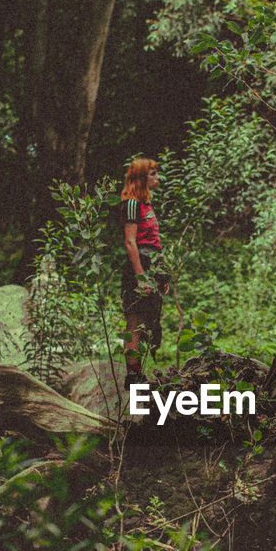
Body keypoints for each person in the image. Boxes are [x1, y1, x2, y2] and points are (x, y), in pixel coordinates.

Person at [119, 157, 169, 385]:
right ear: (141, 177)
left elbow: (154, 242)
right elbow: (131, 242)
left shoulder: (147, 205)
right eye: (153, 174)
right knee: (135, 321)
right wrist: (140, 277)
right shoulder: (131, 204)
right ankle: (133, 375)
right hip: (138, 268)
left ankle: (140, 370)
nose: (157, 178)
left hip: (152, 265)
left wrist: (162, 275)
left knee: (149, 323)